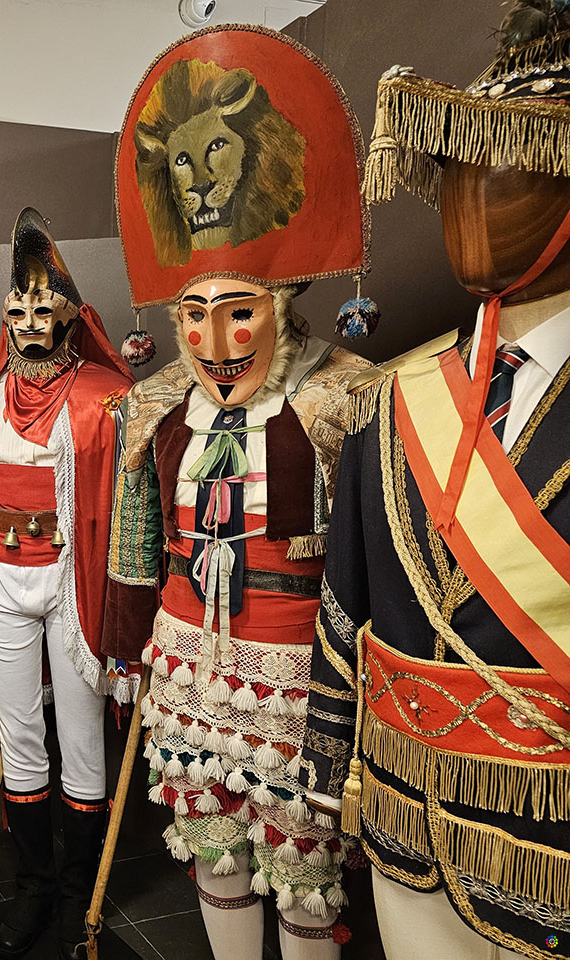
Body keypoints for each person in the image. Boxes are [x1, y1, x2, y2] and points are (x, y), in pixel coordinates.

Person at [303, 4, 570, 957]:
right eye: (458, 170)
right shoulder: (395, 395)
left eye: (509, 164)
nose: (471, 195)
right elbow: (348, 598)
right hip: (403, 826)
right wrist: (326, 762)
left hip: (552, 845)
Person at [104, 26, 375, 959]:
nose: (216, 345)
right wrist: (123, 645)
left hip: (300, 676)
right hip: (185, 664)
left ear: (281, 304)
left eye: (239, 314)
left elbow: (372, 559)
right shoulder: (151, 407)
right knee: (214, 852)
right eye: (194, 316)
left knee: (304, 871)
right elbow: (135, 544)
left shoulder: (344, 397)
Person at [0, 207, 133, 960]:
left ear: (71, 315)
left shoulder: (107, 397)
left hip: (76, 586)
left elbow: (129, 509)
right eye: (18, 311)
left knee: (80, 738)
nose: (31, 325)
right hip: (2, 582)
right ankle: (35, 887)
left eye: (45, 311)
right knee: (18, 737)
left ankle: (80, 892)